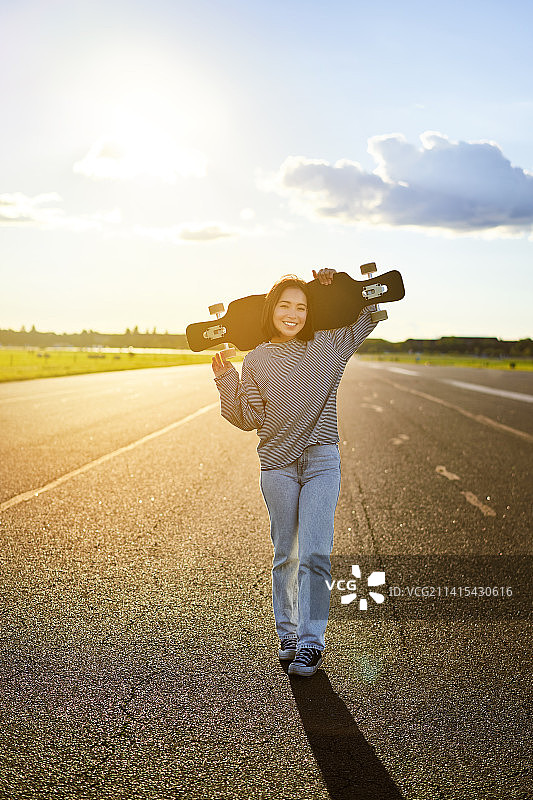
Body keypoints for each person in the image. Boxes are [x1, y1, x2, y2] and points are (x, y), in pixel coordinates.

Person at [212, 268, 379, 676]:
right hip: (278, 466)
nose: (293, 314)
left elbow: (371, 311)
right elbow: (247, 417)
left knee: (316, 553)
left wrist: (337, 282)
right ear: (272, 310)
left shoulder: (329, 344)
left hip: (322, 462)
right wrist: (225, 378)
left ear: (309, 313)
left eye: (302, 307)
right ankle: (287, 635)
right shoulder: (256, 360)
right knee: (285, 553)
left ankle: (310, 643)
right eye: (285, 305)